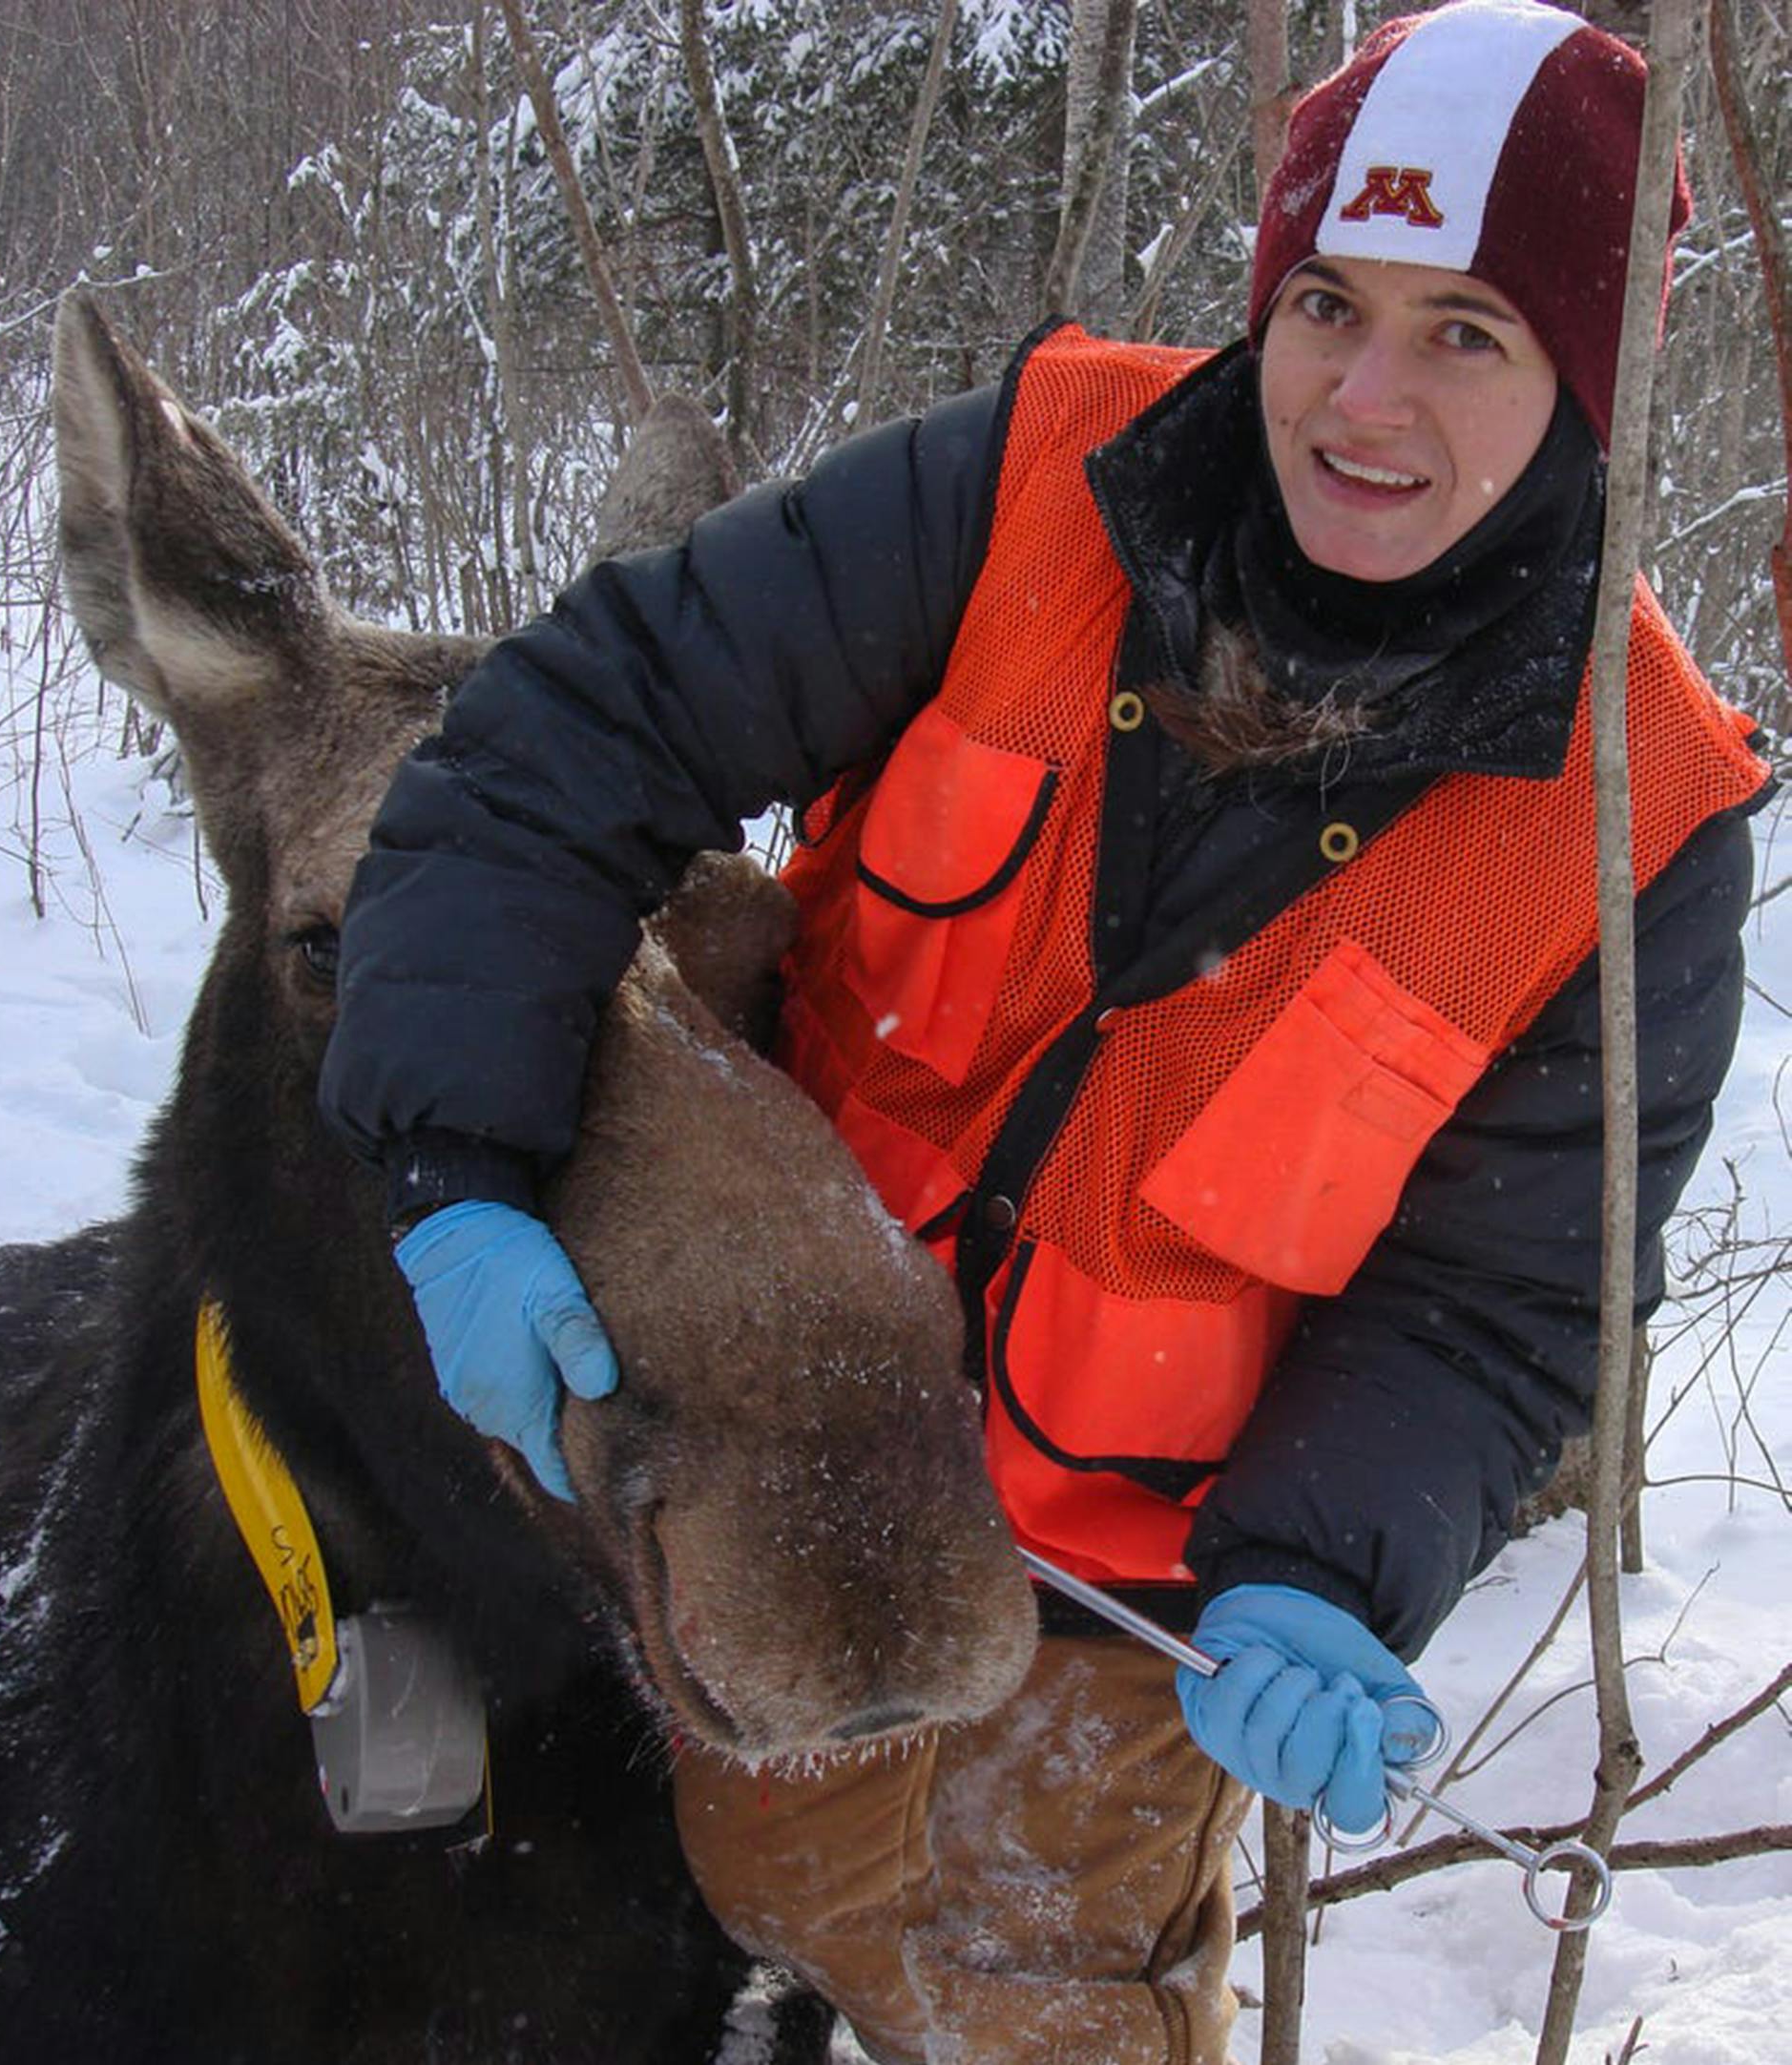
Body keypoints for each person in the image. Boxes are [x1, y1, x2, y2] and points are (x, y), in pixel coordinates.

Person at [320, 3, 1771, 2057]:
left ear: (1588, 385)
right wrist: (453, 1163)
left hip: (1118, 1622)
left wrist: (1326, 1566)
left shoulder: (1637, 815)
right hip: (774, 1445)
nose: (1366, 396)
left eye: (1468, 331)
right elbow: (580, 724)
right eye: (1328, 305)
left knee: (1038, 2010)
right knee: (699, 1893)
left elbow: (1496, 1306)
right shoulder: (1034, 479)